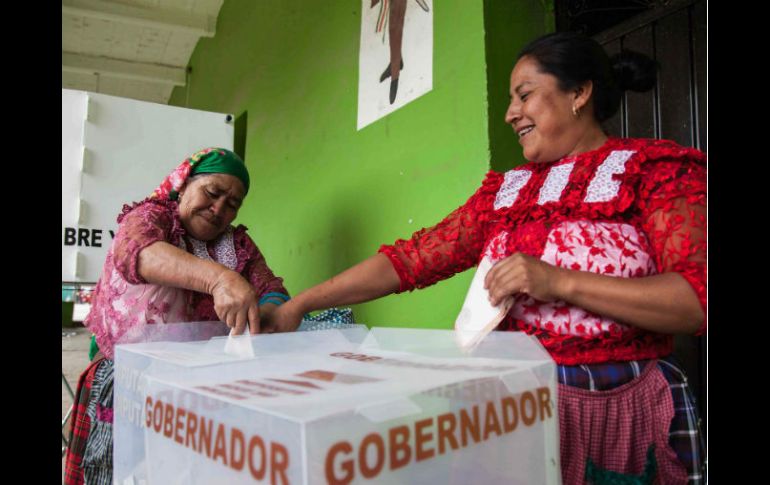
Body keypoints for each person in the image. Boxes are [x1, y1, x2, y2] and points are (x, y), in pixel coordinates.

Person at [270, 32, 706, 484]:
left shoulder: (656, 170)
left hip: (621, 417)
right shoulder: (505, 192)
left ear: (579, 93)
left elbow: (694, 299)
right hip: (515, 414)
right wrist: (300, 304)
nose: (510, 113)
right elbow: (411, 259)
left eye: (524, 95)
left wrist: (558, 281)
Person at [64, 147, 289, 485]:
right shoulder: (152, 218)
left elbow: (272, 288)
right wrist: (218, 278)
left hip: (198, 387)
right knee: (116, 471)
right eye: (212, 193)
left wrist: (269, 313)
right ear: (183, 184)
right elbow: (136, 254)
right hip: (128, 380)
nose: (218, 209)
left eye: (232, 204)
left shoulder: (238, 245)